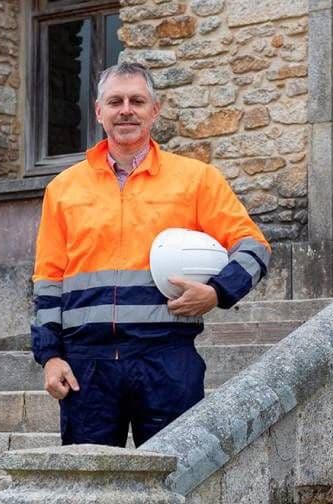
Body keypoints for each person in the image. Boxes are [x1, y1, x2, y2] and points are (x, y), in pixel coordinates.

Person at [31, 62, 270, 448]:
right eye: (115, 101)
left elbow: (253, 245)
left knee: (173, 481)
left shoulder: (196, 179)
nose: (126, 109)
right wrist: (50, 357)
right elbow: (48, 278)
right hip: (85, 367)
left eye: (137, 101)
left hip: (166, 358)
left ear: (154, 110)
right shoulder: (63, 188)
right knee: (87, 488)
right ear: (99, 111)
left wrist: (217, 292)